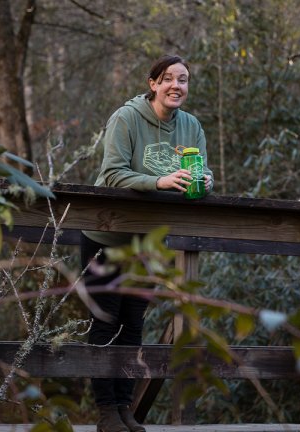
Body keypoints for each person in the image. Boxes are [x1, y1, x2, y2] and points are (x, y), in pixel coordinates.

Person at [81, 54, 213, 432]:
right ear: (153, 83)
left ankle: (125, 408)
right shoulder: (126, 118)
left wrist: (203, 181)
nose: (177, 86)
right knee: (105, 323)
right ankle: (106, 411)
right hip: (108, 236)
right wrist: (159, 181)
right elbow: (111, 175)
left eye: (184, 80)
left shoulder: (191, 126)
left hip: (150, 242)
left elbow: (199, 171)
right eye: (168, 78)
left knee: (133, 325)